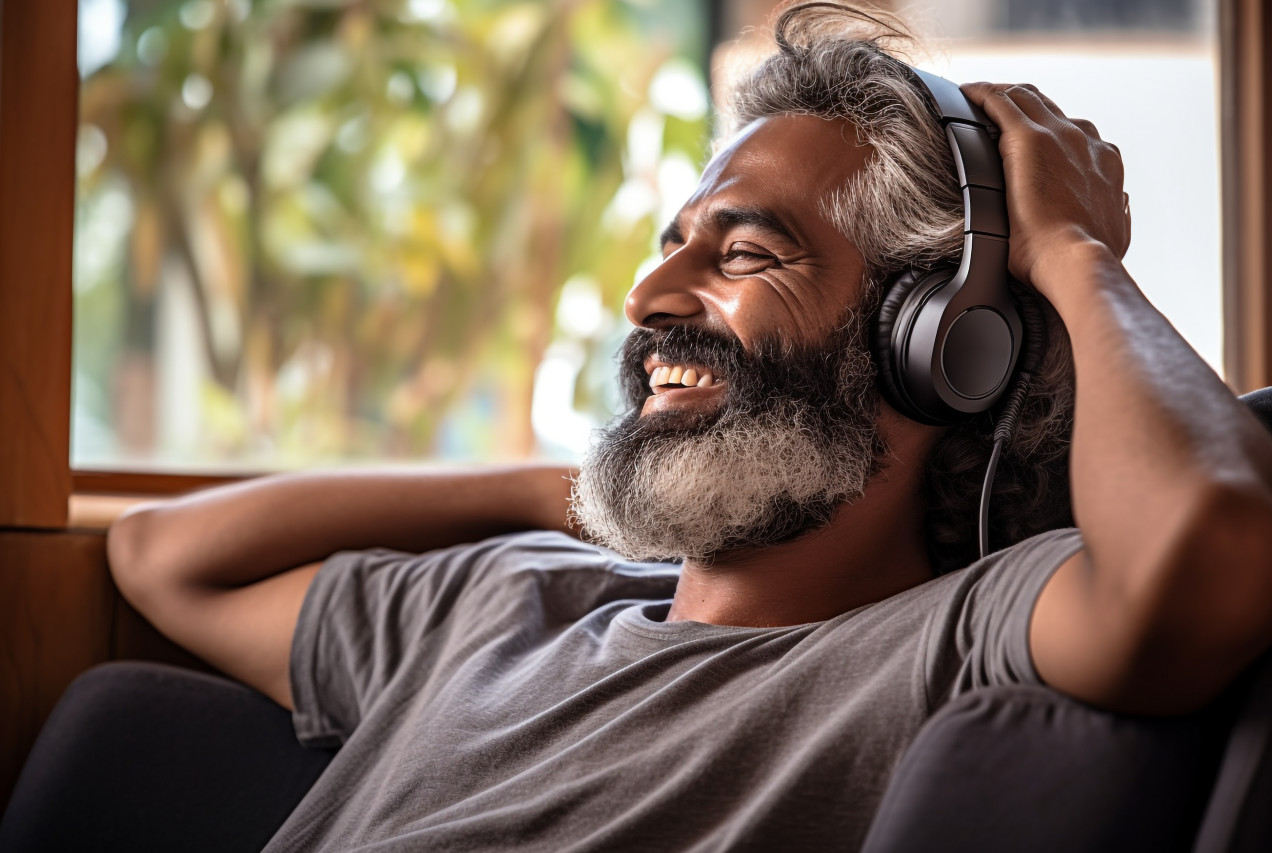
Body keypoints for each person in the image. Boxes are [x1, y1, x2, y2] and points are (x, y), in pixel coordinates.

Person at [107, 3, 1272, 851]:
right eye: (669, 244)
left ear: (940, 347)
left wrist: (1067, 251)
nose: (646, 298)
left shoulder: (942, 637)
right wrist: (560, 495)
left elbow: (1207, 556)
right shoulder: (505, 597)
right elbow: (164, 558)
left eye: (744, 253)